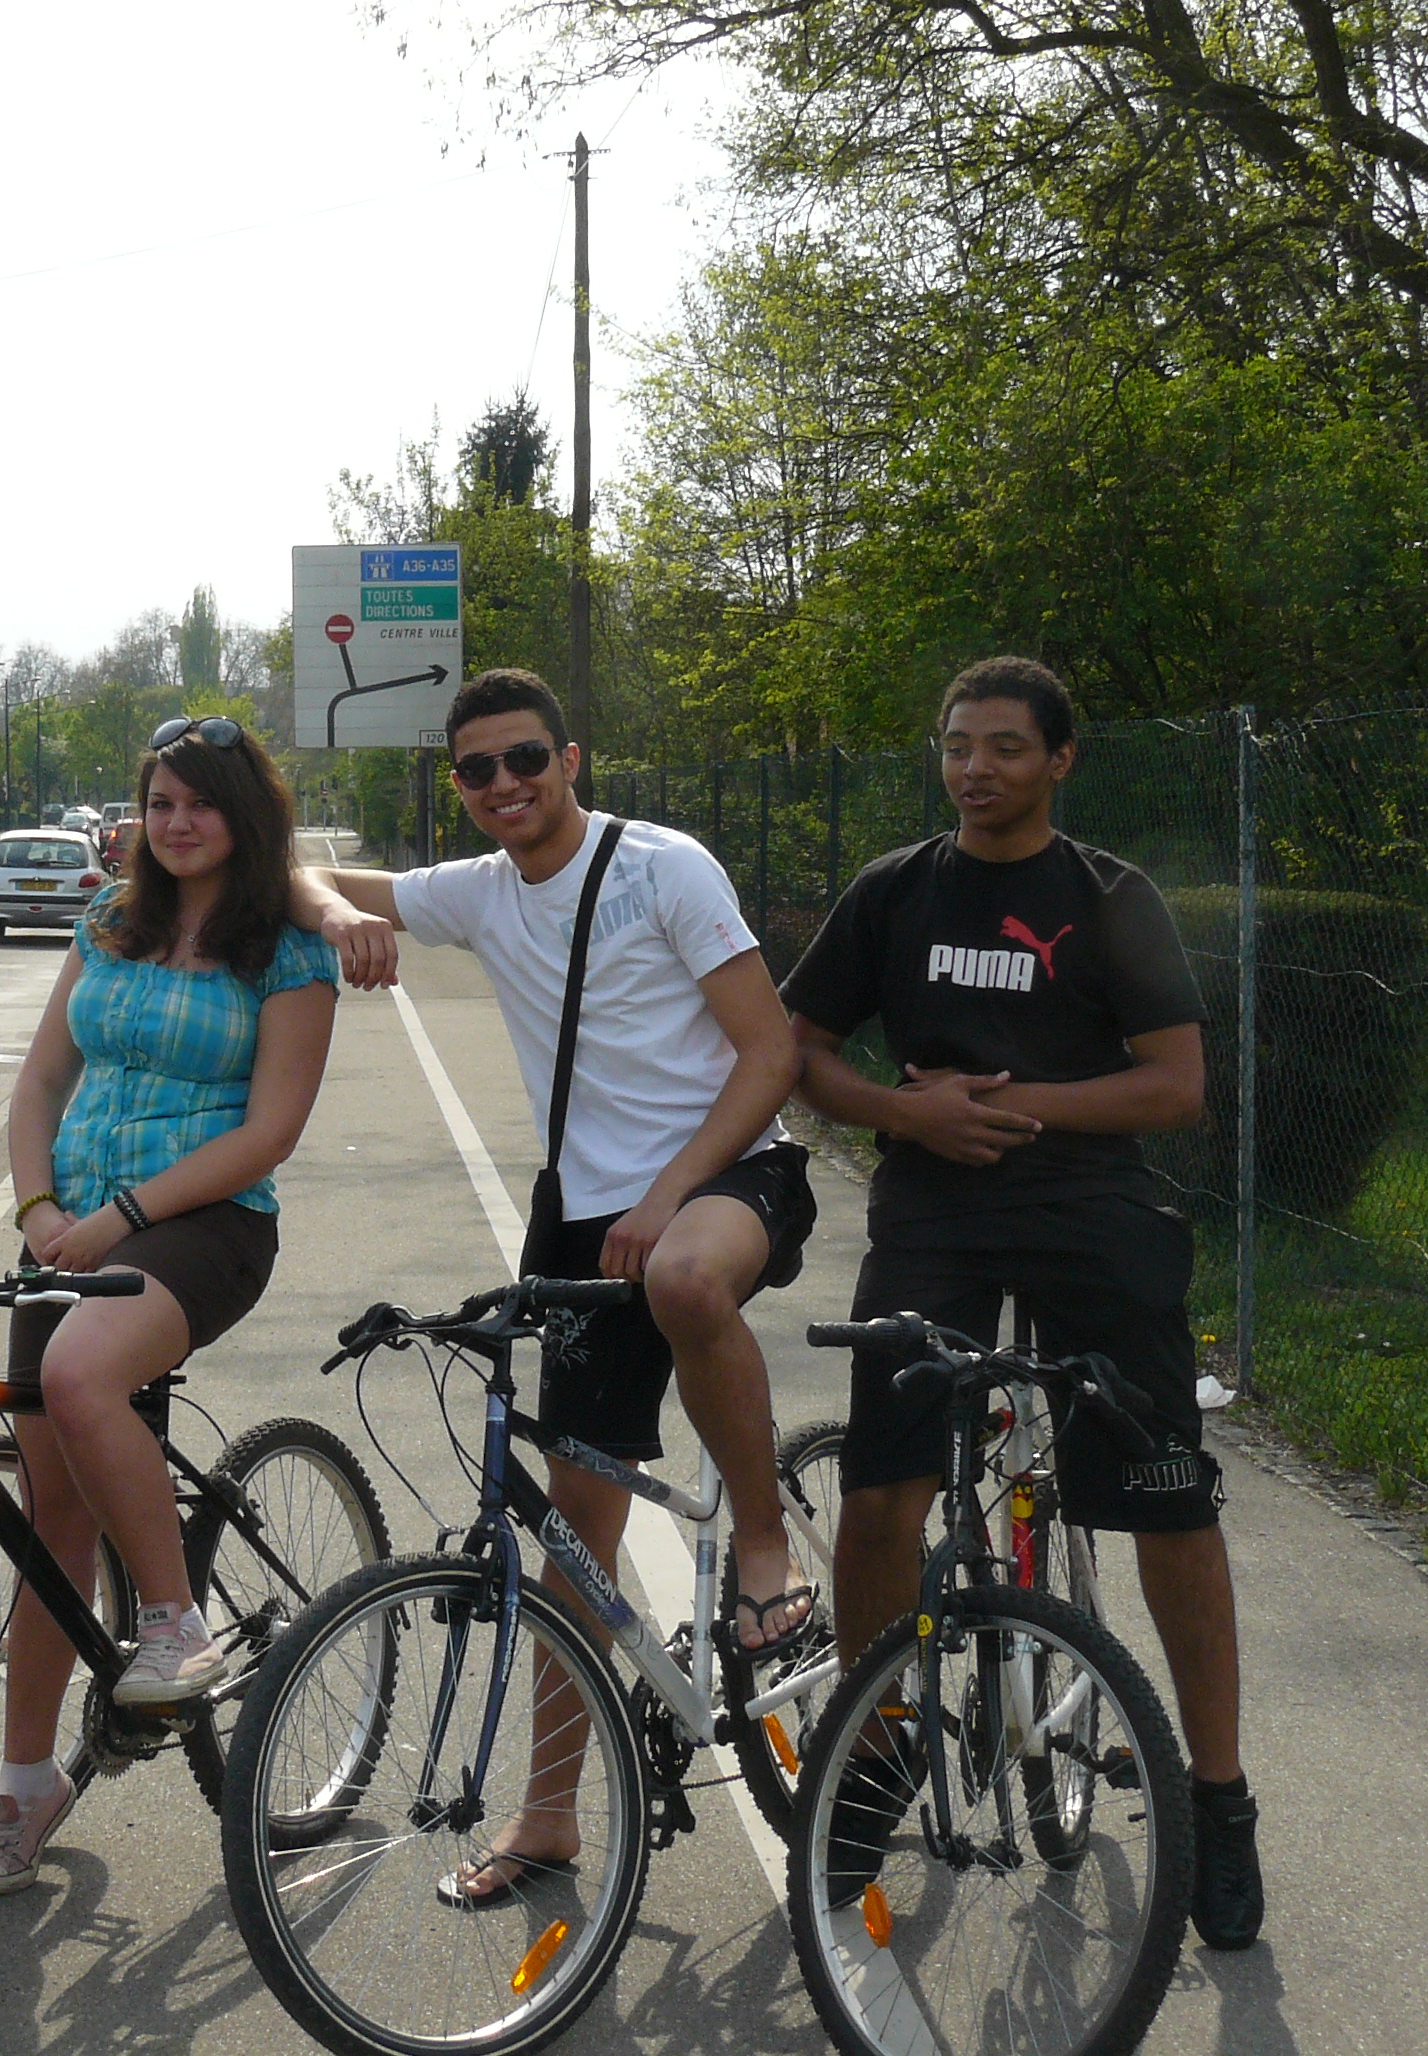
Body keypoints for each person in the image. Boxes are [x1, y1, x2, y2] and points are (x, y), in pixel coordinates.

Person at [292, 667, 812, 1903]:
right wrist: (332, 915)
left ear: (571, 759)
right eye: (476, 770)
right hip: (583, 1227)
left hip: (731, 1177)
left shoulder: (664, 868)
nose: (503, 785)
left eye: (525, 759)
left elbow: (771, 1051)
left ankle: (763, 1544)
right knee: (576, 1543)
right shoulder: (477, 891)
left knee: (687, 1277)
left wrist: (670, 1189)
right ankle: (550, 1819)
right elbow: (300, 877)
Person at [777, 655, 1264, 1949]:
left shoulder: (1112, 900)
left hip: (1090, 1213)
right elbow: (797, 1048)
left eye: (1002, 745)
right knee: (882, 1490)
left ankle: (1217, 1801)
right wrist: (902, 1110)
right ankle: (874, 1765)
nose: (973, 767)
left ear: (1060, 760)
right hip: (933, 1219)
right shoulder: (892, 894)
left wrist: (1025, 1106)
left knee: (1167, 1494)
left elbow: (1176, 1086)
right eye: (954, 744)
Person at [0, 714, 343, 1893]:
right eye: (160, 803)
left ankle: (174, 1623)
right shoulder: (106, 921)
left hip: (209, 1225)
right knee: (50, 1521)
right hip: (73, 1223)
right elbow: (42, 1077)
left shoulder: (284, 947)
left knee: (82, 1374)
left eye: (200, 803)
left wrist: (125, 1217)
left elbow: (271, 1129)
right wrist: (39, 1204)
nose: (178, 823)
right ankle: (26, 1782)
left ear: (244, 815)